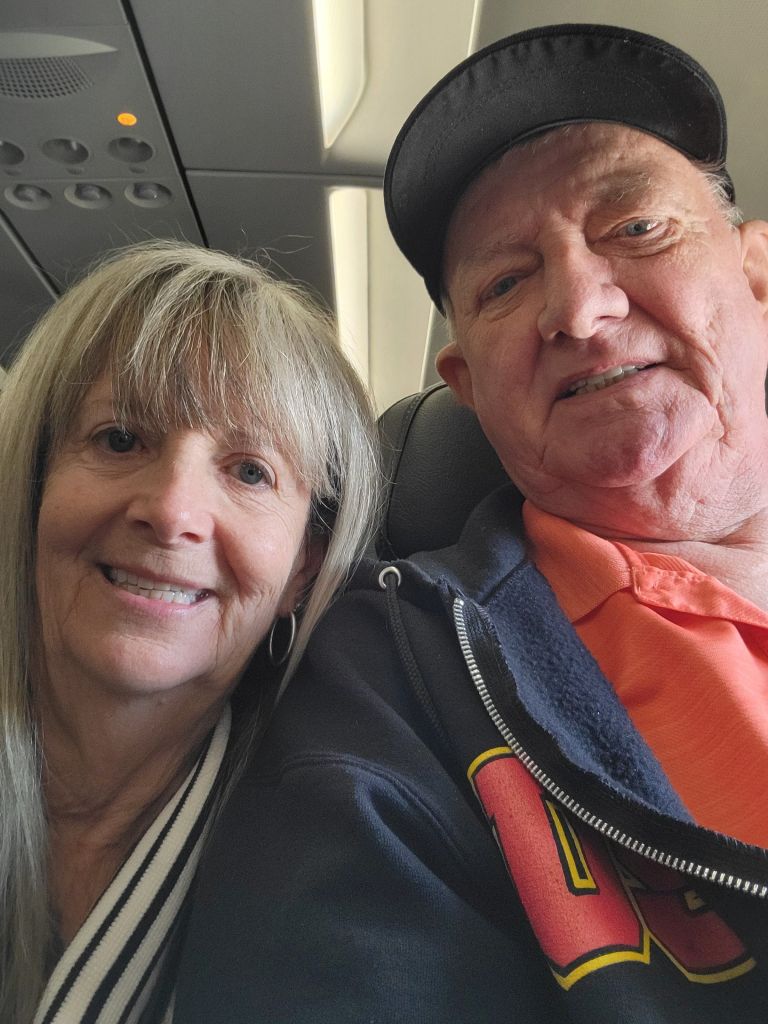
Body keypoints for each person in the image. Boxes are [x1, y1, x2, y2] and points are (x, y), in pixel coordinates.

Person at [172, 24, 768, 1024]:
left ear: (757, 276)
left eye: (634, 227)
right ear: (467, 386)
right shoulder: (398, 665)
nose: (578, 306)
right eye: (504, 283)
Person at [0, 239, 377, 1023]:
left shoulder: (336, 855)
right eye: (119, 439)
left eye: (249, 472)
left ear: (302, 569)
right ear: (32, 487)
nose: (172, 511)